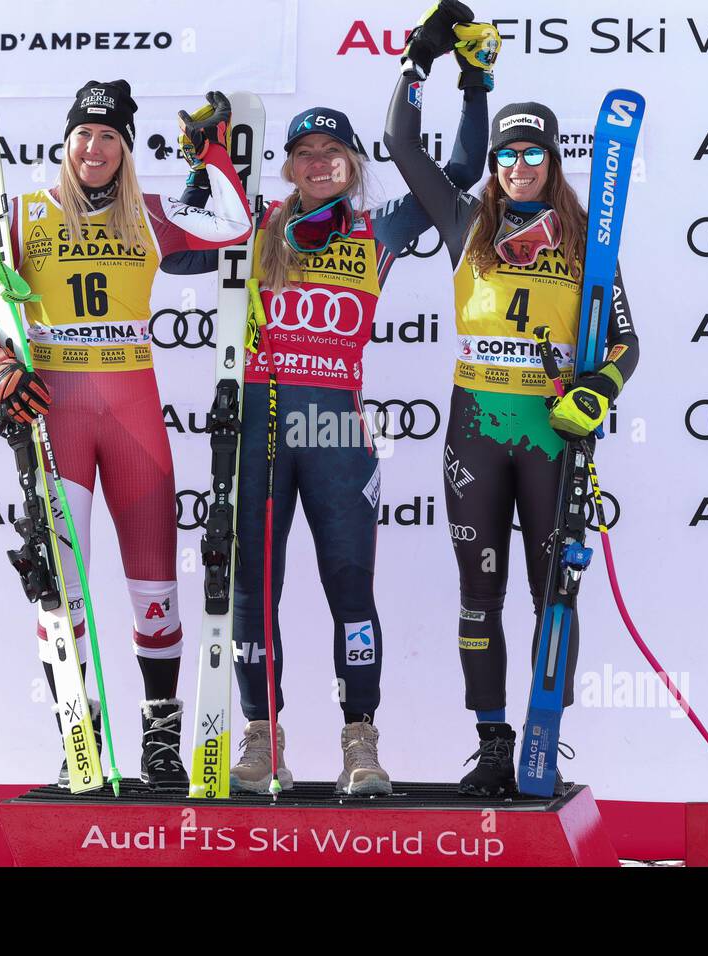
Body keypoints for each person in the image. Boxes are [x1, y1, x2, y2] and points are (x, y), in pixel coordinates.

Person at [200, 3, 497, 796]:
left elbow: (460, 175)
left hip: (334, 418)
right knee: (254, 587)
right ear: (289, 167)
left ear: (354, 164)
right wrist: (206, 160)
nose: (319, 162)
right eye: (305, 153)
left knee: (348, 582)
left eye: (334, 152)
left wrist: (474, 86)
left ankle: (359, 739)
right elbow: (186, 247)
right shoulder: (257, 225)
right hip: (262, 418)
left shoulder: (380, 229)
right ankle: (263, 737)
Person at [0, 80, 252, 789]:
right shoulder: (24, 214)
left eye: (110, 137)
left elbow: (236, 227)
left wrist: (213, 154)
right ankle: (78, 732)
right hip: (59, 416)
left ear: (125, 149)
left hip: (134, 420)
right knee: (65, 592)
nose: (95, 148)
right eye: (84, 135)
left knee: (157, 591)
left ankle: (159, 738)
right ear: (66, 143)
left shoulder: (149, 216)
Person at [385, 50, 642, 796]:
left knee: (553, 591)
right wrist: (418, 60)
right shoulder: (465, 220)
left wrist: (597, 389)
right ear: (493, 161)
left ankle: (542, 730)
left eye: (533, 154)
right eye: (506, 154)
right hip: (477, 433)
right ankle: (493, 741)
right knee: (479, 594)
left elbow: (628, 344)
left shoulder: (588, 242)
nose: (519, 166)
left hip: (550, 439)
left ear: (553, 161)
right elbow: (402, 143)